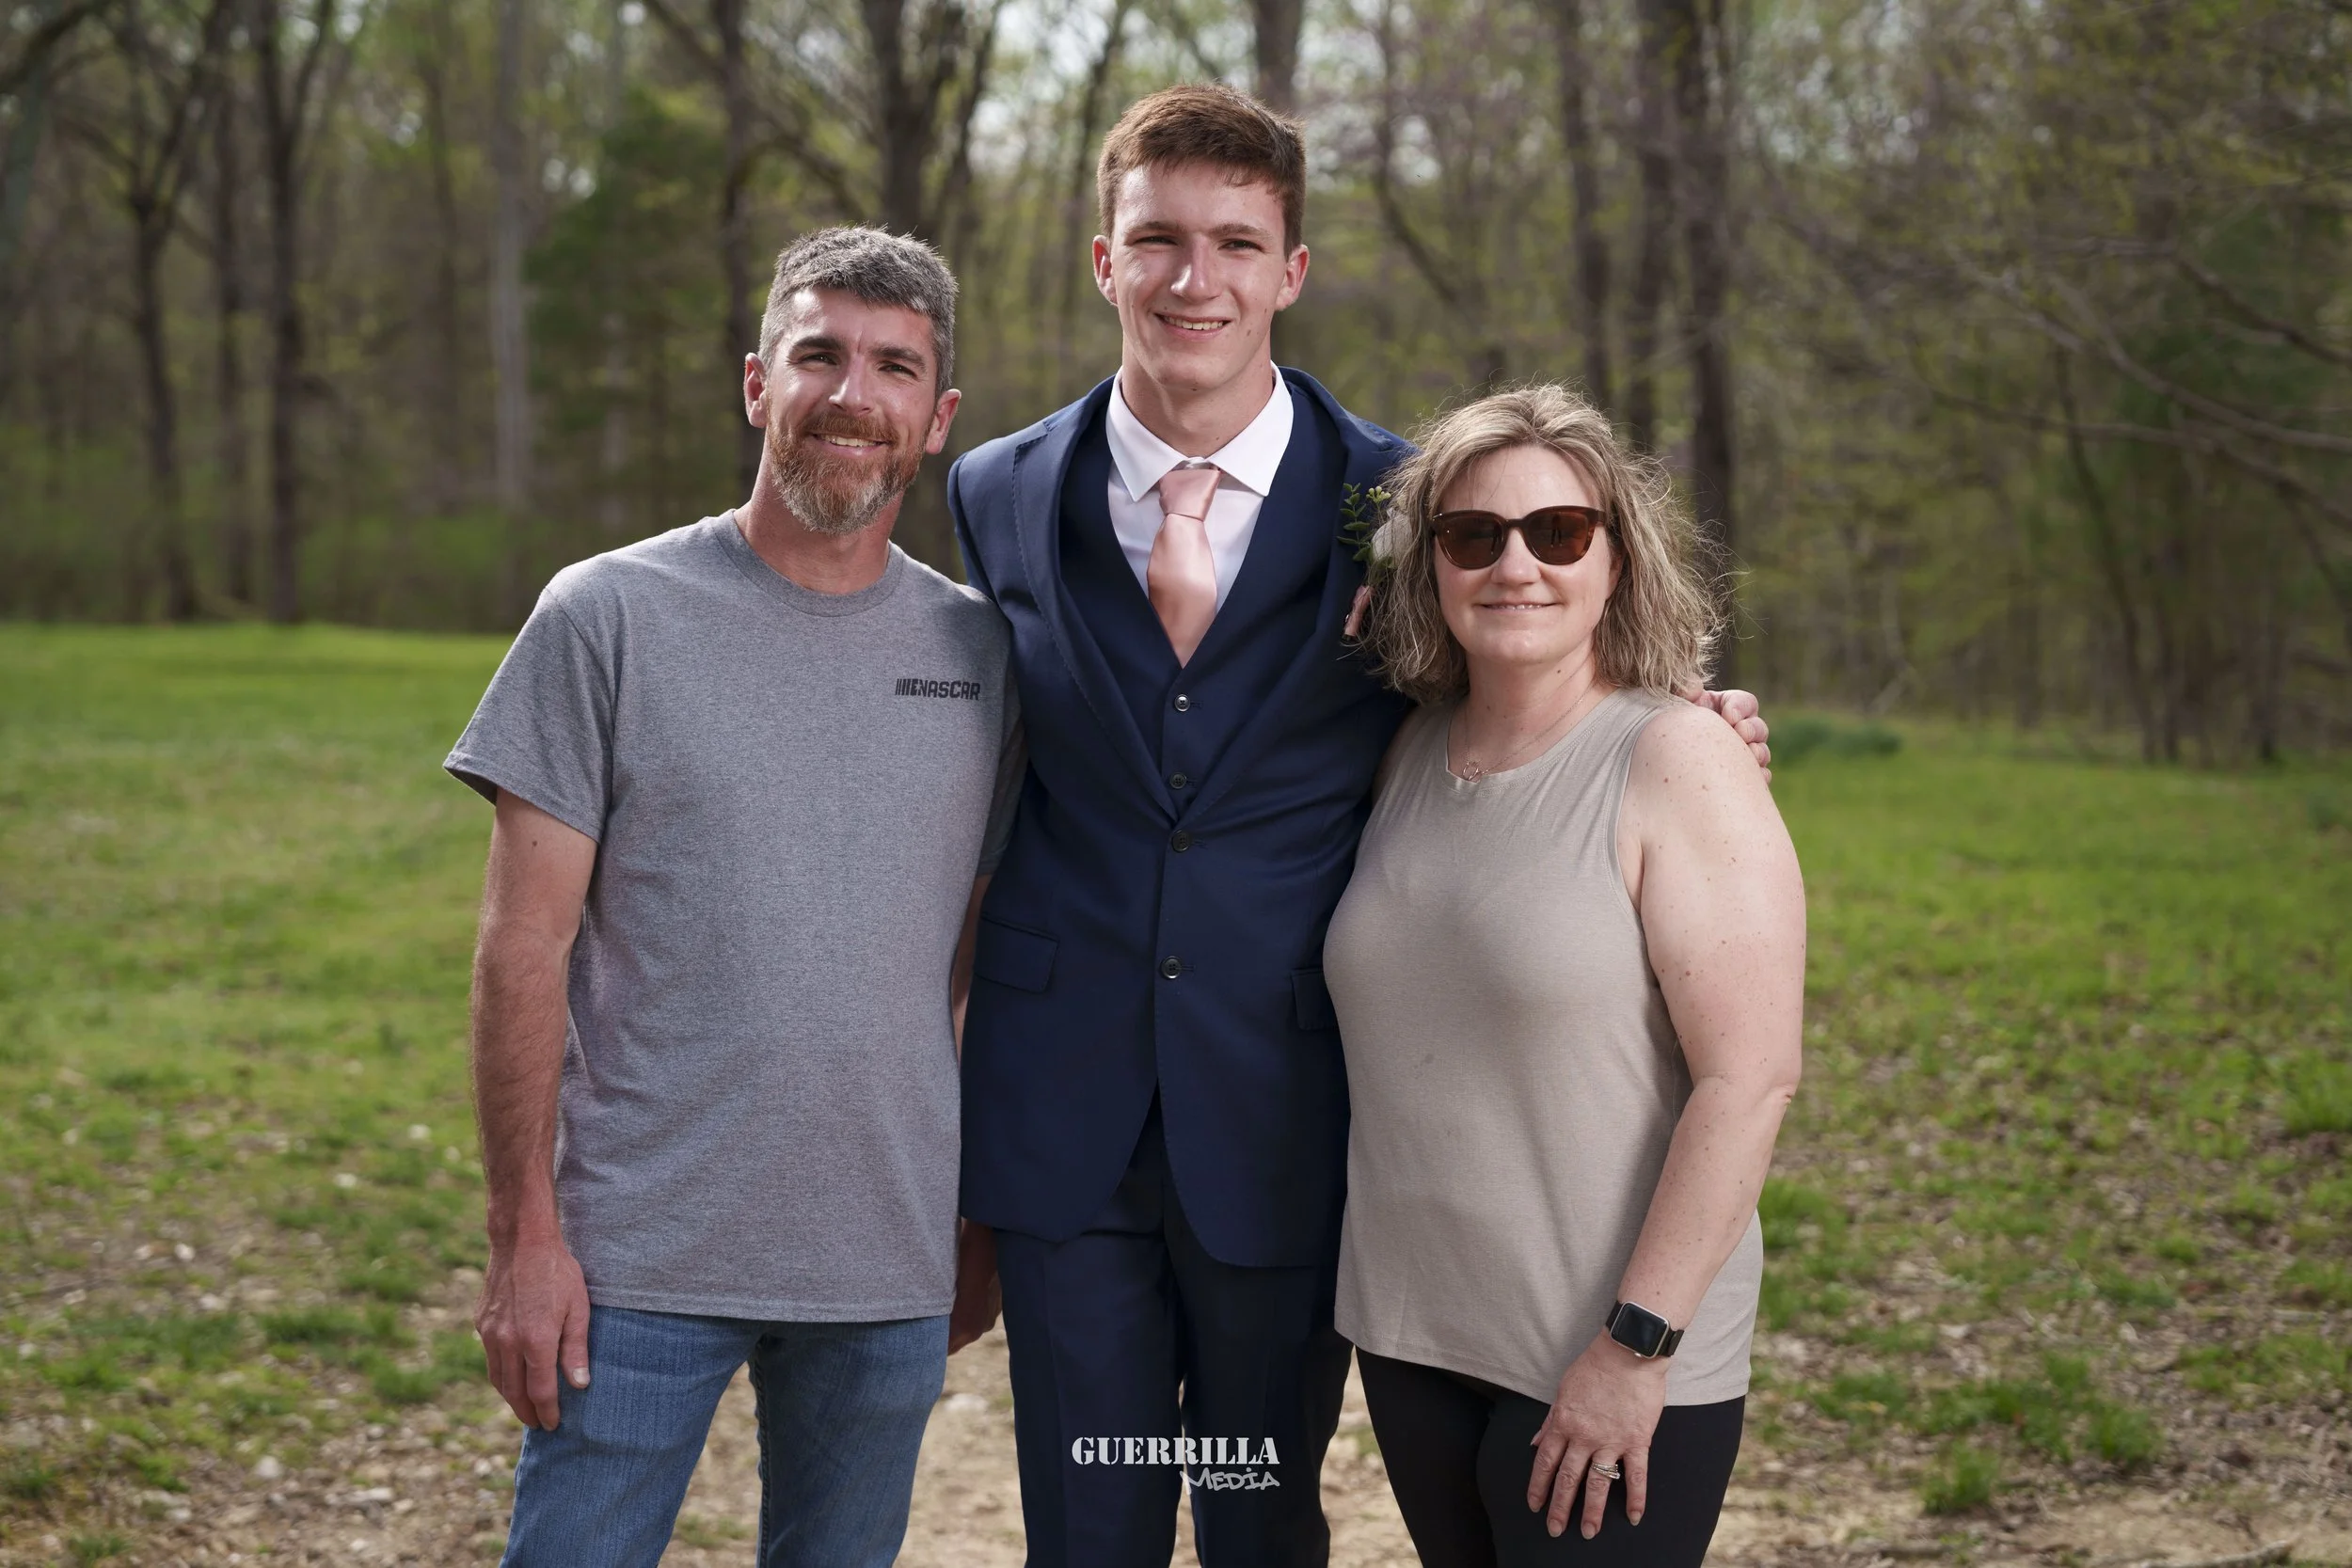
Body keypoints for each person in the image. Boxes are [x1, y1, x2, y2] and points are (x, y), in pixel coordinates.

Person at [946, 87, 1773, 1568]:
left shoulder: (1415, 499)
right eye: (1159, 241)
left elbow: (1538, 646)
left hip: (1288, 1112)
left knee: (1258, 1510)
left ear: (1290, 271)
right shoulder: (998, 489)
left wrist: (1689, 710)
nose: (1194, 279)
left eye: (1235, 244)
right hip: (1061, 1114)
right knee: (1090, 1516)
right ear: (1102, 259)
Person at [444, 226, 1021, 1568]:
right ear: (758, 383)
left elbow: (982, 965)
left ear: (934, 420)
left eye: (894, 367)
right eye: (817, 353)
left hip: (884, 1262)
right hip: (633, 1261)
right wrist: (523, 1234)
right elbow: (520, 943)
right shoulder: (608, 614)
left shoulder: (983, 653)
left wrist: (977, 1217)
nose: (851, 394)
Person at [1323, 385, 1806, 1567]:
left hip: (1604, 1356)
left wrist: (1634, 1350)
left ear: (1615, 556)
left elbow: (1748, 1080)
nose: (1516, 564)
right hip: (1418, 1337)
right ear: (1428, 560)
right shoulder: (1402, 747)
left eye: (1559, 531)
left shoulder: (1678, 756)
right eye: (1472, 535)